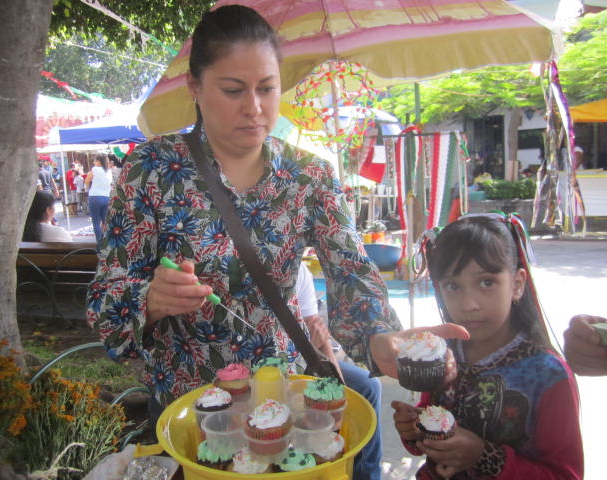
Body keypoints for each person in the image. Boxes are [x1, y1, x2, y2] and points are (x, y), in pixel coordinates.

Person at [86, 5, 467, 420]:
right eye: (233, 90)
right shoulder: (152, 169)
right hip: (188, 409)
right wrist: (152, 299)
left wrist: (379, 337)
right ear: (195, 86)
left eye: (267, 88)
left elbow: (352, 271)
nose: (253, 107)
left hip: (283, 403)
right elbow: (107, 304)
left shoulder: (309, 176)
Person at [392, 214, 583, 479]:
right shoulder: (440, 353)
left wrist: (484, 457)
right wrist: (416, 427)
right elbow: (432, 421)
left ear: (517, 284)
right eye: (453, 286)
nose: (469, 304)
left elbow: (566, 474)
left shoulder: (548, 375)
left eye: (486, 282)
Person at [296, 262, 383, 479]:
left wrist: (339, 385)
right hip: (279, 367)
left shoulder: (298, 271)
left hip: (305, 360)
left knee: (367, 385)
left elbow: (319, 331)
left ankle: (366, 473)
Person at [84, 154, 112, 243]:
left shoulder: (95, 169)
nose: (94, 162)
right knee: (105, 221)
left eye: (95, 161)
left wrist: (87, 188)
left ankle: (99, 242)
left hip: (95, 196)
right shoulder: (109, 171)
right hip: (106, 197)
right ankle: (108, 241)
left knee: (96, 222)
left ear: (98, 161)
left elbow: (87, 181)